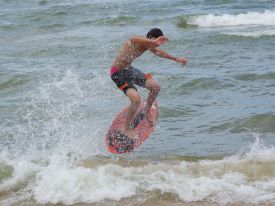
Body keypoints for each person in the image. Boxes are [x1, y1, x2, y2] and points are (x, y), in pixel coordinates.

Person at [110, 28, 188, 138]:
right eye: (156, 43)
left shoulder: (148, 45)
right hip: (117, 73)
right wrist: (154, 42)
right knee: (136, 99)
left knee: (155, 87)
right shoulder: (136, 40)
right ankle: (127, 128)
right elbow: (132, 38)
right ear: (151, 38)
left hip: (130, 70)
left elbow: (159, 53)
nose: (157, 46)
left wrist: (176, 59)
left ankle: (146, 110)